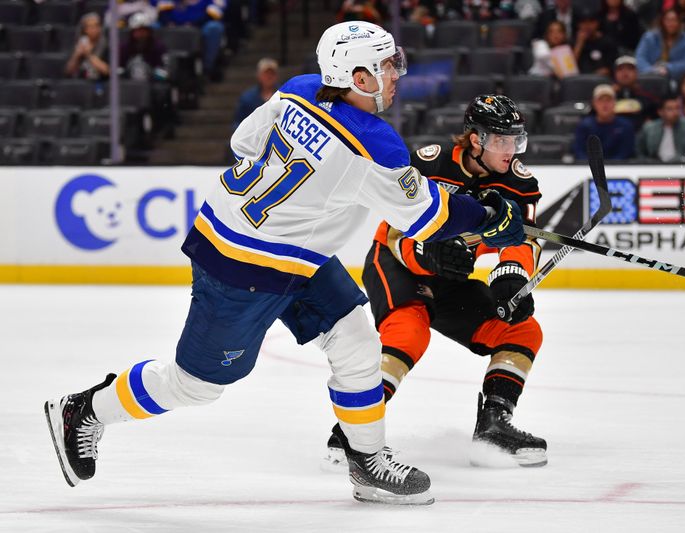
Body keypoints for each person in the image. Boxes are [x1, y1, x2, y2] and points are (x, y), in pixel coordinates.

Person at [44, 21, 525, 507]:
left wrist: (304, 197)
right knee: (194, 386)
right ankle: (85, 410)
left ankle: (367, 460)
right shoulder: (372, 145)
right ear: (358, 78)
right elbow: (428, 215)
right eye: (386, 65)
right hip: (242, 267)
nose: (396, 73)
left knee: (356, 340)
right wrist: (489, 215)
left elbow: (243, 143)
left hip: (292, 252)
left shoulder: (297, 90)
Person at [324, 94, 548, 470]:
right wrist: (425, 253)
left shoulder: (519, 183)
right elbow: (396, 230)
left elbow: (523, 239)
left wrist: (512, 274)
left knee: (522, 331)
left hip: (452, 276)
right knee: (408, 334)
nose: (511, 151)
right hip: (398, 265)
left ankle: (494, 423)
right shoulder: (431, 164)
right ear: (475, 139)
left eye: (515, 140)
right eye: (501, 141)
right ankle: (350, 432)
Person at [156, 0, 226, 76]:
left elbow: (214, 14)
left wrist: (194, 23)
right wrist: (169, 22)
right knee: (153, 27)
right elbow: (162, 13)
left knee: (214, 27)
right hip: (172, 29)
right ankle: (157, 67)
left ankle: (207, 67)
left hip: (198, 30)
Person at [574, 84, 635, 160]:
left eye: (608, 100)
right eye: (600, 100)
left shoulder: (626, 126)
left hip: (619, 169)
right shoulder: (584, 126)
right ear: (594, 103)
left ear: (615, 102)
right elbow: (579, 152)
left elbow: (625, 153)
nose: (605, 104)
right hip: (589, 169)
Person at [635, 8, 685, 81]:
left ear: (679, 22)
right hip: (649, 77)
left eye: (674, 20)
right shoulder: (648, 38)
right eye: (668, 20)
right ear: (662, 21)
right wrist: (653, 71)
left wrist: (667, 68)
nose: (671, 24)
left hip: (677, 79)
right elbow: (640, 58)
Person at [636, 93, 685, 161]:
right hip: (654, 168)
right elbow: (639, 152)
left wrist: (681, 160)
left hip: (682, 167)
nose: (675, 112)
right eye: (670, 109)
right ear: (660, 112)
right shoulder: (649, 128)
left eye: (677, 108)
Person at [612, 55, 660, 131]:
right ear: (615, 74)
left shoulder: (647, 96)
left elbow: (657, 119)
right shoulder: (607, 97)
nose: (625, 73)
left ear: (636, 73)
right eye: (620, 69)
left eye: (629, 69)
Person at [232, 57, 280, 130]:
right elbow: (237, 123)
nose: (269, 77)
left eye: (272, 73)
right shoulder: (247, 98)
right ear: (259, 75)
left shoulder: (284, 96)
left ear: (276, 76)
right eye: (266, 74)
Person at [572, 8, 618, 77]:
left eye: (591, 22)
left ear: (597, 23)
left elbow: (614, 66)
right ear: (579, 25)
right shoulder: (573, 42)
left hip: (604, 80)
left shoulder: (608, 42)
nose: (587, 26)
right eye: (584, 22)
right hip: (580, 80)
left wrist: (607, 70)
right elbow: (569, 68)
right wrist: (579, 44)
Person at [65, 12, 110, 80]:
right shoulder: (79, 44)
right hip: (80, 83)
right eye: (90, 27)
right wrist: (76, 56)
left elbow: (107, 71)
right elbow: (68, 72)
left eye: (96, 26)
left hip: (100, 83)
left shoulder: (106, 45)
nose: (94, 29)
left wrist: (88, 54)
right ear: (85, 29)